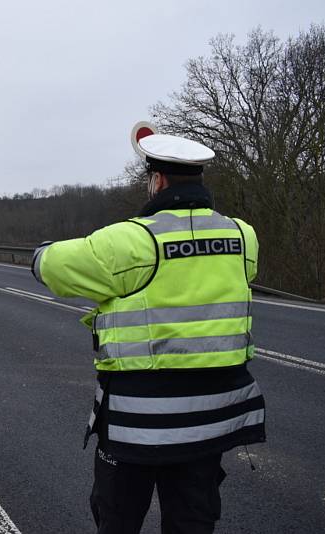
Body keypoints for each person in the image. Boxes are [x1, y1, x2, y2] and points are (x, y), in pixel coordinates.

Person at [31, 127, 265, 534]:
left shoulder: (132, 240)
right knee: (193, 520)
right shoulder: (242, 236)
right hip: (209, 424)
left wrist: (40, 253)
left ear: (156, 181)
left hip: (136, 427)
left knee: (118, 519)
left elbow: (53, 267)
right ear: (200, 178)